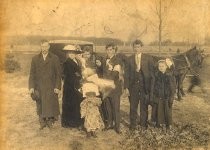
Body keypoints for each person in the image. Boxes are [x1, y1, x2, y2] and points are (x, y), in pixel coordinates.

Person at [29, 39, 61, 130]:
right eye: (42, 46)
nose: (44, 48)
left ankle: (50, 122)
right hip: (39, 86)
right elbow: (32, 74)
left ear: (49, 47)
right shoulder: (35, 59)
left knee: (50, 104)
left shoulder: (55, 58)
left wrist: (57, 86)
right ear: (40, 46)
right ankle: (42, 122)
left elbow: (58, 74)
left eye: (46, 46)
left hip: (51, 86)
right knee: (40, 104)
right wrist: (31, 87)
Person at [124, 39, 155, 131]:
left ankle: (143, 125)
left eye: (138, 47)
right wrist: (126, 87)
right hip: (133, 87)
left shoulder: (148, 58)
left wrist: (151, 88)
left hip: (144, 87)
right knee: (133, 106)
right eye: (135, 47)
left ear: (141, 47)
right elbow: (126, 75)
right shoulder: (129, 59)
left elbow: (152, 75)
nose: (136, 49)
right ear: (133, 48)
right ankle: (133, 125)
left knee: (144, 107)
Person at [96, 42, 123, 134]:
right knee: (108, 108)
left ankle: (117, 127)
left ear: (115, 51)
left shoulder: (118, 61)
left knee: (116, 108)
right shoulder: (103, 60)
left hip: (114, 88)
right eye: (108, 50)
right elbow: (100, 73)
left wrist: (104, 80)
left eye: (111, 50)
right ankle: (110, 124)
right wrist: (99, 66)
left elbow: (114, 75)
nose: (109, 51)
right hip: (105, 88)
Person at [61, 45, 84, 128]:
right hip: (70, 86)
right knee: (70, 103)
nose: (71, 54)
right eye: (69, 53)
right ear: (67, 54)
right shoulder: (67, 63)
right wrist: (79, 77)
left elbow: (78, 72)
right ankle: (69, 123)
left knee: (76, 103)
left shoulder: (77, 61)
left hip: (75, 85)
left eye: (73, 53)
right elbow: (70, 74)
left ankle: (75, 121)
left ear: (75, 53)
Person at [152, 60, 175, 131]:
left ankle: (169, 124)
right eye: (159, 66)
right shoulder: (157, 75)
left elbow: (172, 88)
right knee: (159, 110)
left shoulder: (169, 76)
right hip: (159, 96)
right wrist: (154, 94)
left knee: (167, 111)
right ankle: (159, 123)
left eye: (162, 66)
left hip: (166, 97)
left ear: (166, 67)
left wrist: (171, 98)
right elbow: (154, 86)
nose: (161, 68)